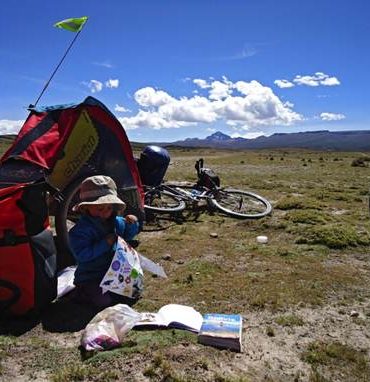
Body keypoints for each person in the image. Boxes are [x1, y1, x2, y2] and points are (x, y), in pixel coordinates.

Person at [69, 175, 140, 309]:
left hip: (115, 272)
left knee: (131, 291)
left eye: (108, 208)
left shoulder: (116, 222)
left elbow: (127, 237)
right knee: (103, 301)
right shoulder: (80, 231)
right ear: (86, 208)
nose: (105, 213)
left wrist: (132, 224)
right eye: (100, 208)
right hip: (90, 276)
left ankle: (113, 293)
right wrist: (105, 244)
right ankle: (80, 293)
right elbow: (82, 255)